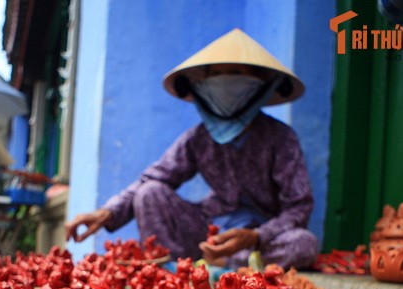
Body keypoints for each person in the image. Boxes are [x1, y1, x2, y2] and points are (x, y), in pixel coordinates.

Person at [65, 29, 319, 270]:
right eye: (217, 75)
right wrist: (107, 213)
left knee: (304, 244)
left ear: (260, 82)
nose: (226, 82)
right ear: (203, 84)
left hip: (257, 236)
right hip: (206, 230)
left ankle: (226, 264)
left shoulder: (281, 138)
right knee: (149, 193)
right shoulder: (197, 138)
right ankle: (171, 270)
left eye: (236, 72)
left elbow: (299, 207)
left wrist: (255, 236)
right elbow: (154, 178)